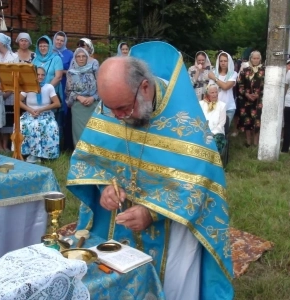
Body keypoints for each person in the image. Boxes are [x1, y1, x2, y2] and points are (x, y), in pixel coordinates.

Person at [67, 42, 233, 300]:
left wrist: (153, 212)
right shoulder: (111, 108)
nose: (117, 116)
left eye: (123, 108)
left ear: (145, 87)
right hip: (119, 223)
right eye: (110, 109)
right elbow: (92, 159)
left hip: (172, 232)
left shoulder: (187, 126)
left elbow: (199, 188)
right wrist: (103, 188)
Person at [18, 67, 60, 163]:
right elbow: (17, 101)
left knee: (50, 125)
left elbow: (57, 103)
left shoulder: (49, 87)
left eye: (42, 75)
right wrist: (30, 110)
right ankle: (28, 152)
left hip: (45, 114)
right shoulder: (28, 86)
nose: (40, 77)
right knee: (22, 124)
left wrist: (41, 109)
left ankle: (46, 154)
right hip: (30, 113)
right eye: (38, 74)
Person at [65, 48, 99, 147]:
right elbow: (68, 91)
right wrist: (79, 97)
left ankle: (93, 155)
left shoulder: (93, 70)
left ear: (87, 58)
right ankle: (80, 156)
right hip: (78, 106)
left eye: (83, 56)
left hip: (93, 104)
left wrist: (93, 98)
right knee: (80, 132)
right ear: (75, 58)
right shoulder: (70, 73)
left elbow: (101, 87)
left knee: (93, 131)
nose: (81, 59)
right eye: (78, 56)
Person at [0, 33, 19, 151]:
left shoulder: (14, 57)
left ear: (2, 42)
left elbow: (16, 75)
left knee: (7, 120)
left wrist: (8, 91)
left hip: (10, 93)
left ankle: (5, 145)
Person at [237, 50, 265, 147]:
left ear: (260, 59)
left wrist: (259, 94)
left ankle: (256, 141)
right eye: (254, 58)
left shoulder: (264, 71)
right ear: (250, 59)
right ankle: (248, 141)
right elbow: (240, 85)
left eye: (257, 58)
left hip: (259, 100)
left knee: (257, 120)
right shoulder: (245, 71)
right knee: (247, 119)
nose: (256, 60)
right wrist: (247, 94)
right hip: (246, 100)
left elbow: (268, 87)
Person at [53, 31, 74, 151]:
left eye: (61, 40)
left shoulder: (69, 54)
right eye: (57, 39)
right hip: (51, 84)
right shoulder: (49, 52)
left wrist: (60, 71)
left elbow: (72, 70)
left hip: (64, 85)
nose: (59, 42)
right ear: (54, 40)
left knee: (63, 114)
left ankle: (62, 144)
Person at [209, 51, 238, 125]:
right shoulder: (214, 72)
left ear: (229, 62)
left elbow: (226, 87)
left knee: (225, 131)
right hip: (215, 106)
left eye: (225, 61)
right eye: (221, 61)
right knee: (215, 131)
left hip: (228, 107)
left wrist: (215, 78)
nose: (223, 63)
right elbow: (210, 89)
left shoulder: (233, 74)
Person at [200, 84, 227, 155]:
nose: (215, 94)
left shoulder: (222, 105)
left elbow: (221, 124)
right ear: (207, 94)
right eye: (212, 92)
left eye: (216, 92)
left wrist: (212, 133)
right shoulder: (201, 104)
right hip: (202, 131)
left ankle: (214, 164)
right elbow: (198, 119)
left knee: (213, 142)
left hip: (217, 133)